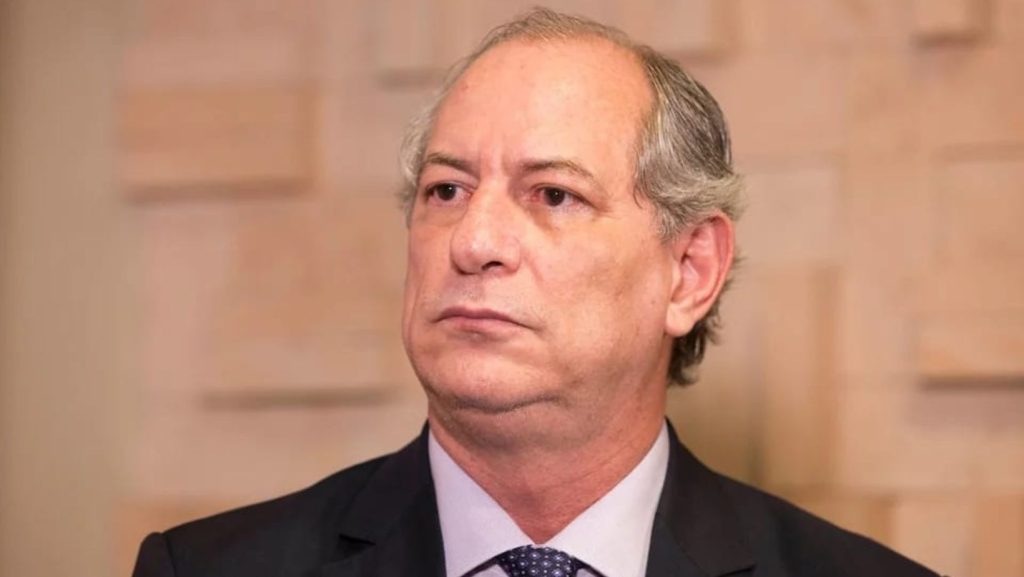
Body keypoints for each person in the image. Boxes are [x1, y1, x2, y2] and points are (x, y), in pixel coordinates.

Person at [132, 8, 940, 577]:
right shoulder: (202, 568)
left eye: (554, 194)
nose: (473, 241)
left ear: (690, 269)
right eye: (446, 190)